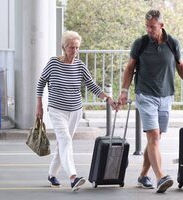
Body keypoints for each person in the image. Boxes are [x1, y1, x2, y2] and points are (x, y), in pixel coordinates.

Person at [36, 30, 117, 191]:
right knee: (65, 140)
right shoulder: (53, 63)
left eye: (77, 47)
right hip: (56, 110)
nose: (75, 51)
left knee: (63, 144)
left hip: (75, 111)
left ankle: (52, 174)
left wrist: (107, 98)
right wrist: (39, 105)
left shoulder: (80, 65)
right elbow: (41, 83)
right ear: (63, 47)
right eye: (71, 48)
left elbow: (92, 86)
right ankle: (73, 177)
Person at [117, 9, 183, 193]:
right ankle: (161, 177)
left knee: (155, 138)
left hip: (166, 96)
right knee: (153, 136)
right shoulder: (141, 43)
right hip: (145, 95)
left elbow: (180, 67)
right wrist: (124, 91)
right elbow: (130, 67)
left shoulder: (173, 43)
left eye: (152, 27)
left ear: (162, 26)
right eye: (147, 26)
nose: (149, 30)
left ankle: (143, 175)